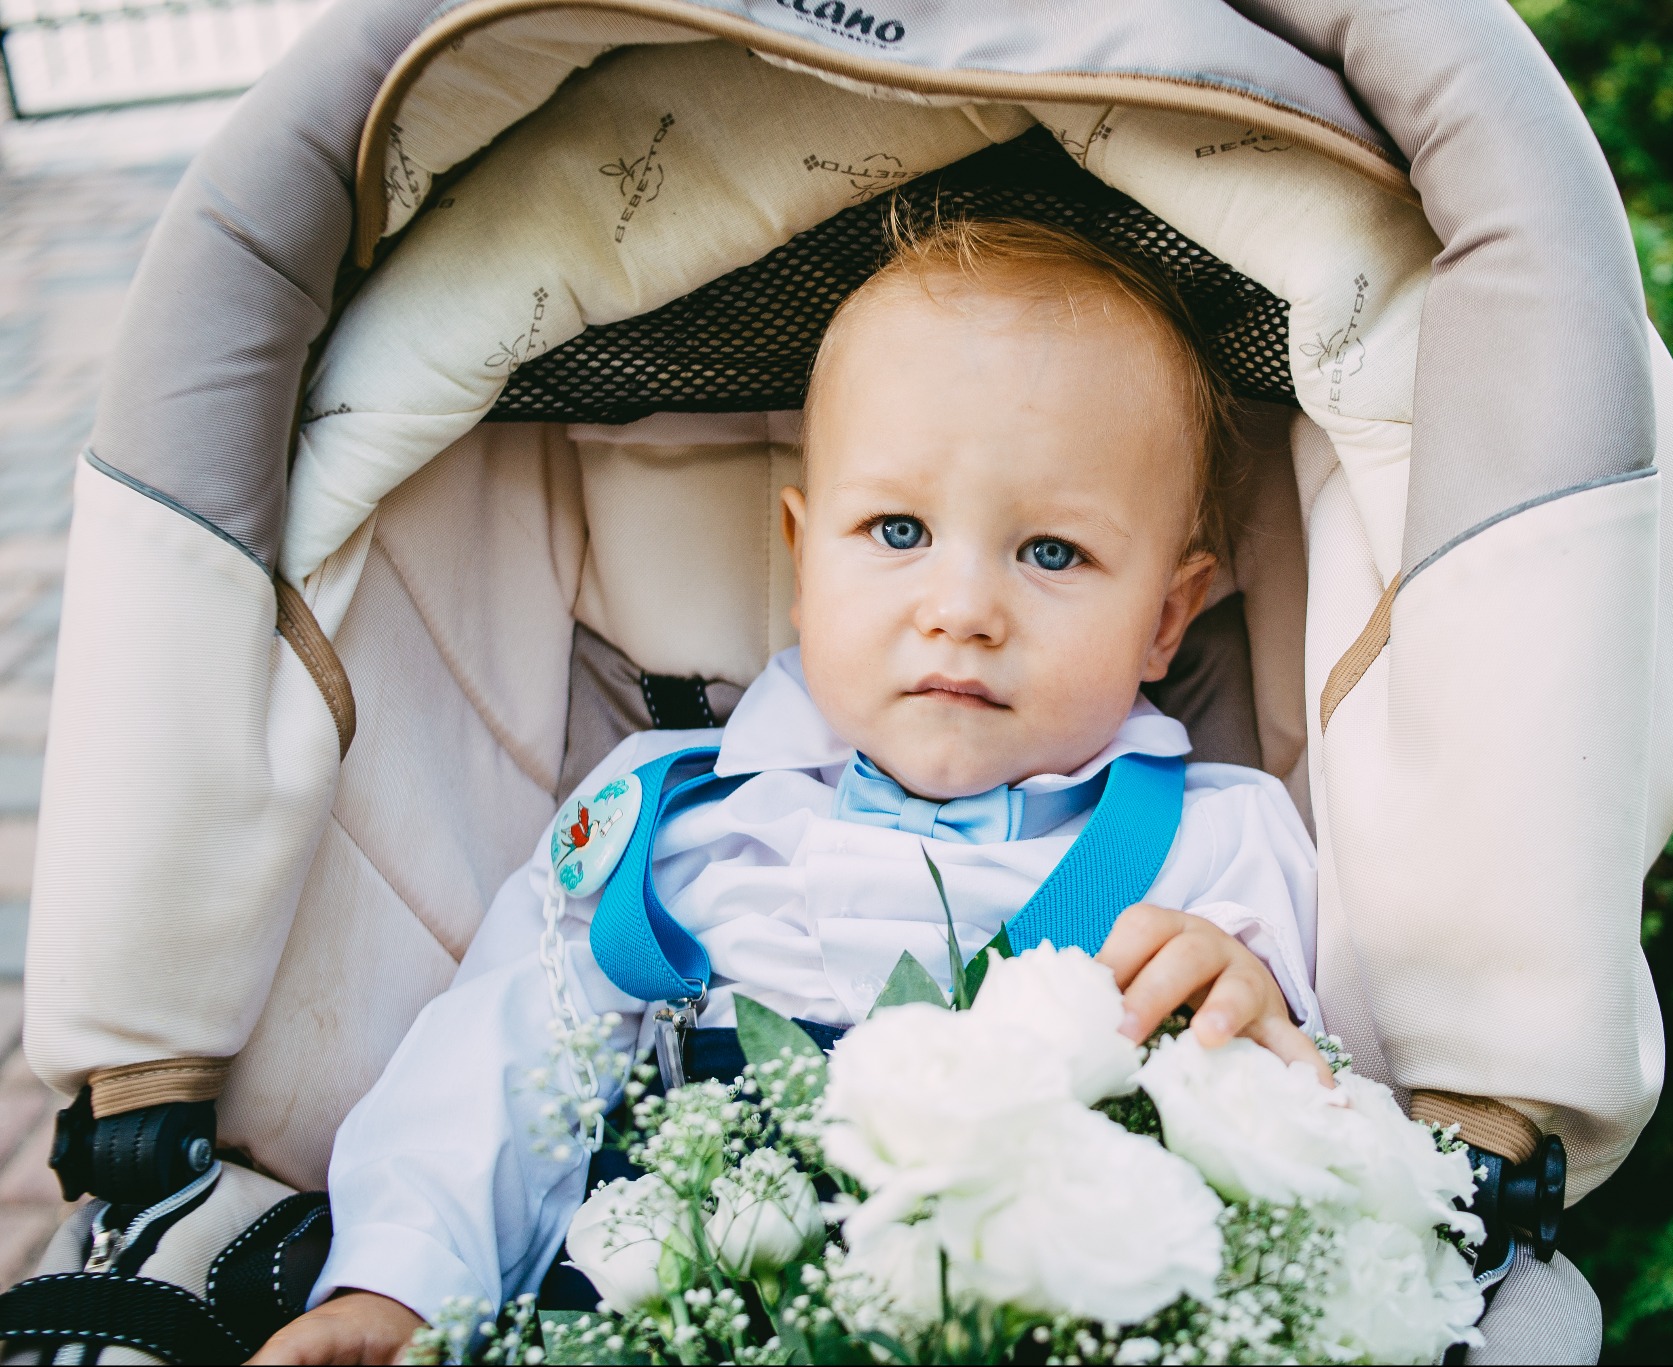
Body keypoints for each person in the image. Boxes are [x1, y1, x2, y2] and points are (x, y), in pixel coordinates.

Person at [252, 218, 1325, 1364]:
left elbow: (1307, 1136)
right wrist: (398, 1287)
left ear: (1166, 614)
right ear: (802, 561)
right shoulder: (675, 815)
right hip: (663, 1297)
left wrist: (1253, 1021)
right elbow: (505, 1058)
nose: (961, 606)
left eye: (1051, 552)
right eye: (897, 530)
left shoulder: (1217, 840)